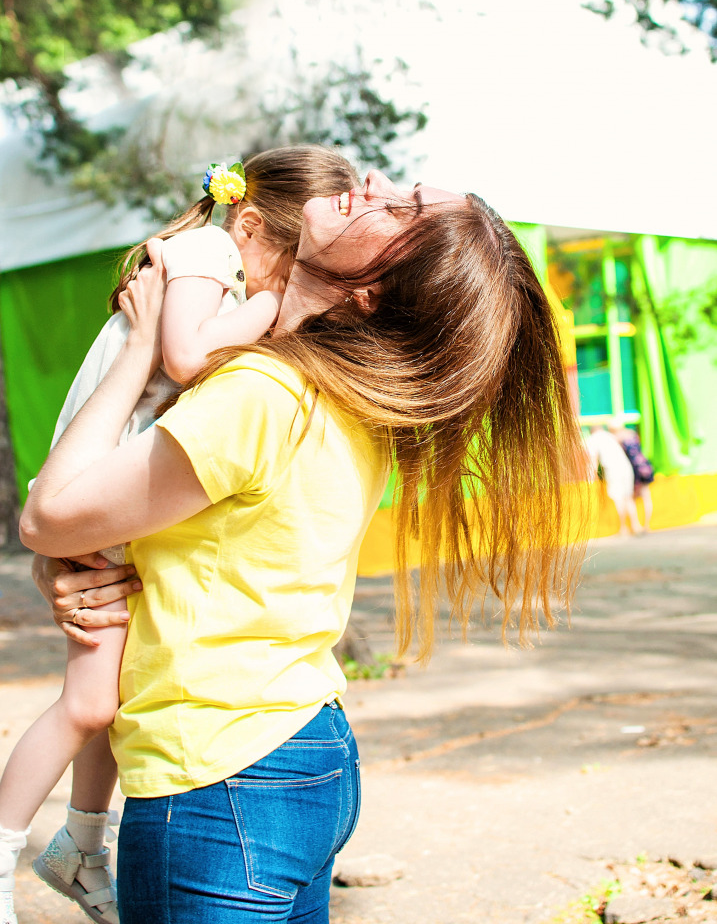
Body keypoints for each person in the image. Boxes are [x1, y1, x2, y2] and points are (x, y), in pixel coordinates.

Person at [20, 168, 587, 923]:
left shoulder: (260, 394)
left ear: (371, 293)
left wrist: (136, 352)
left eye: (400, 209)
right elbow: (205, 550)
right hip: (305, 751)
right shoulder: (347, 398)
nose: (375, 179)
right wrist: (62, 572)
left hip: (217, 779)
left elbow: (51, 517)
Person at [0, 145, 359, 924]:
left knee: (109, 694)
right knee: (86, 703)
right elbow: (187, 354)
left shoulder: (226, 270)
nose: (288, 276)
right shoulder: (203, 254)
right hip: (92, 472)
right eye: (292, 258)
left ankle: (82, 844)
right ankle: (8, 851)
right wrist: (280, 305)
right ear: (252, 223)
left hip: (112, 473)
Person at [586, 424, 642, 535]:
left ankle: (623, 528)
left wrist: (592, 476)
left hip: (613, 469)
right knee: (628, 498)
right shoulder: (611, 436)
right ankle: (636, 526)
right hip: (626, 467)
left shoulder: (593, 439)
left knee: (619, 499)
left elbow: (593, 460)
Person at [610, 423, 654, 532]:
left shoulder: (617, 438)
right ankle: (647, 525)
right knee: (646, 496)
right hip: (645, 465)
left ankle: (636, 526)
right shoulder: (632, 434)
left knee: (631, 498)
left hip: (634, 469)